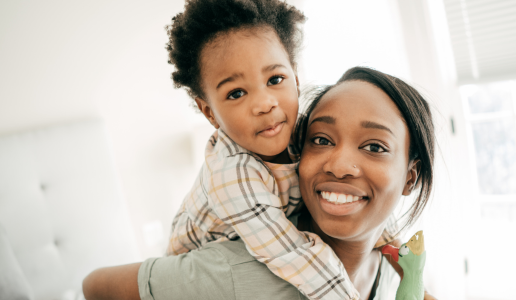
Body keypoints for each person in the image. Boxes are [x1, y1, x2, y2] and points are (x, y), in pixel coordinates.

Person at [82, 66, 437, 300]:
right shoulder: (236, 270)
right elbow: (94, 286)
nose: (340, 165)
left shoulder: (394, 268)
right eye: (322, 140)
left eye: (374, 147)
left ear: (409, 177)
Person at [161, 1, 396, 299]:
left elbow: (364, 200)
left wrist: (397, 252)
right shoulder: (233, 172)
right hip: (195, 279)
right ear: (209, 113)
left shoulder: (303, 134)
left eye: (275, 79)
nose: (264, 103)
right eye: (236, 93)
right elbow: (292, 255)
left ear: (295, 79)